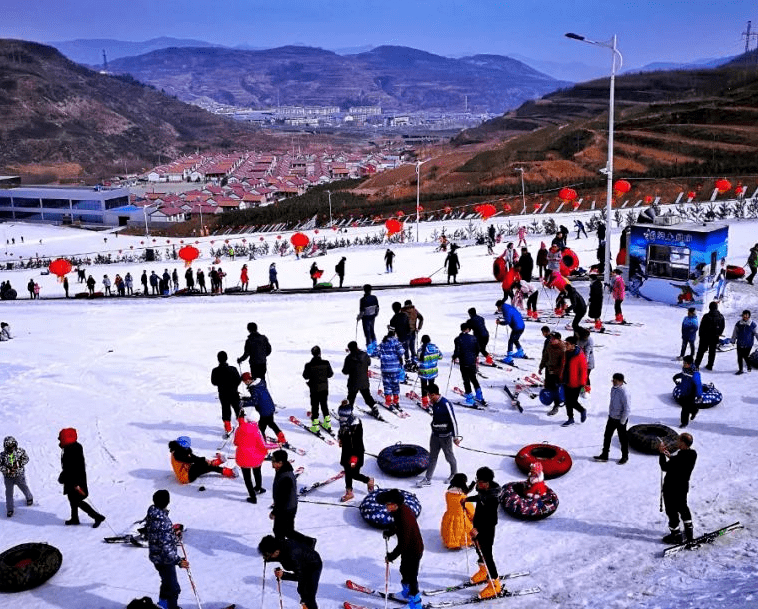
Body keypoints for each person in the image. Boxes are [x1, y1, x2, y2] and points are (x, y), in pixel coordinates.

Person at [377, 489, 424, 609]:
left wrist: (391, 556)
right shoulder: (398, 511)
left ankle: (416, 603)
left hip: (414, 549)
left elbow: (404, 543)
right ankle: (406, 593)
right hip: (407, 549)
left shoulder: (405, 517)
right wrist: (390, 532)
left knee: (412, 575)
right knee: (404, 570)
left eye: (388, 504)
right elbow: (397, 526)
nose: (386, 507)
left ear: (395, 504)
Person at [461, 467, 501, 599]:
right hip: (477, 527)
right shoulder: (483, 491)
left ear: (488, 482)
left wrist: (478, 529)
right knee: (478, 550)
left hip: (486, 531)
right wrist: (467, 499)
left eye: (481, 481)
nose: (478, 483)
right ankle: (483, 571)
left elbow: (492, 520)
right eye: (478, 480)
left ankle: (495, 583)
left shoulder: (492, 498)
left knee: (487, 555)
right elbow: (478, 497)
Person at [145, 490, 189, 609]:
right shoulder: (163, 521)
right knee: (173, 588)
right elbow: (165, 547)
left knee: (166, 583)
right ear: (167, 502)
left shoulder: (153, 513)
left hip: (156, 556)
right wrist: (178, 561)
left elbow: (158, 534)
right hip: (165, 560)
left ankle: (163, 605)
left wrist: (172, 533)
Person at [57, 427, 106, 527]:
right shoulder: (73, 447)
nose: (59, 439)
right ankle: (74, 518)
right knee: (72, 499)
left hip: (75, 481)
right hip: (73, 479)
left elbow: (71, 468)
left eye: (61, 438)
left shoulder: (71, 450)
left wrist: (63, 477)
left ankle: (97, 517)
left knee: (77, 500)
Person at [258, 535, 322, 609]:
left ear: (276, 552)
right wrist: (268, 558)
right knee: (302, 590)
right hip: (302, 560)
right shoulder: (279, 546)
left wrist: (283, 575)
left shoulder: (291, 556)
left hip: (312, 565)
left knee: (308, 595)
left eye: (267, 555)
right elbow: (279, 556)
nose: (266, 557)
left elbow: (300, 576)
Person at [417, 383, 460, 487]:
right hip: (435, 435)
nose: (428, 397)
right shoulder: (434, 403)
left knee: (449, 457)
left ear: (434, 394)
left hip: (445, 437)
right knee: (432, 457)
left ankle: (454, 474)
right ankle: (428, 479)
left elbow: (453, 421)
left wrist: (455, 437)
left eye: (429, 395)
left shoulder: (446, 404)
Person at [270, 449, 315, 546]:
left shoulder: (285, 477)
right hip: (289, 506)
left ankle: (283, 549)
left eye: (273, 461)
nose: (271, 462)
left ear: (280, 463)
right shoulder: (282, 470)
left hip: (286, 509)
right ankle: (307, 542)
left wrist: (275, 512)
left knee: (280, 530)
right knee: (286, 531)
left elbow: (283, 499)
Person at [659, 433, 697, 544]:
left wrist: (661, 454)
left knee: (671, 511)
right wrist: (670, 456)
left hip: (671, 488)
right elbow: (680, 461)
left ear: (683, 443)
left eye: (679, 441)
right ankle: (689, 535)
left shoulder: (679, 458)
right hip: (683, 487)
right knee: (683, 508)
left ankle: (676, 536)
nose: (676, 442)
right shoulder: (692, 454)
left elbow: (664, 467)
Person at [235, 409, 275, 503]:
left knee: (247, 478)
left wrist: (240, 416)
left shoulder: (240, 428)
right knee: (257, 472)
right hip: (256, 457)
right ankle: (258, 488)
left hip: (243, 457)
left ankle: (252, 497)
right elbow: (264, 445)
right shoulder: (257, 431)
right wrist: (277, 445)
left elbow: (236, 442)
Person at [337, 401, 374, 502]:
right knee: (348, 472)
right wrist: (340, 438)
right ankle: (349, 492)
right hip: (346, 451)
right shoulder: (344, 422)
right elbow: (341, 431)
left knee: (354, 474)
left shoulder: (355, 425)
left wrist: (354, 459)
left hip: (355, 453)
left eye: (343, 417)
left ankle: (369, 481)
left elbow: (356, 443)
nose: (341, 419)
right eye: (340, 416)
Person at [594, 373, 630, 464]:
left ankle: (625, 456)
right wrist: (610, 414)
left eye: (615, 381)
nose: (613, 382)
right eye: (612, 380)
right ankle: (605, 454)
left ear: (621, 381)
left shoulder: (624, 392)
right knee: (607, 436)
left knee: (622, 439)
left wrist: (622, 421)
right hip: (611, 418)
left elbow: (627, 408)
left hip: (620, 420)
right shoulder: (613, 389)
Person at [168, 436, 234, 483]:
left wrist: (204, 460)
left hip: (188, 470)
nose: (188, 448)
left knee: (205, 465)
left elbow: (193, 457)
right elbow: (192, 460)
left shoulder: (178, 450)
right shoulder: (178, 455)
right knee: (207, 466)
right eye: (187, 447)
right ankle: (229, 471)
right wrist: (204, 460)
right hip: (186, 477)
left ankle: (217, 463)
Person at [242, 374, 286, 444]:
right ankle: (282, 437)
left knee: (260, 428)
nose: (244, 384)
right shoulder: (260, 383)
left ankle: (262, 443)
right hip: (270, 407)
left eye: (244, 382)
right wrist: (246, 398)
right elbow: (258, 397)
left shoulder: (253, 388)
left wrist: (243, 404)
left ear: (247, 380)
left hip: (264, 411)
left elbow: (254, 401)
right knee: (271, 423)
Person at [342, 341, 380, 417]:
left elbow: (345, 371)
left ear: (350, 349)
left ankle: (348, 413)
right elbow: (369, 363)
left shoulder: (349, 358)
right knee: (367, 396)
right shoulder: (365, 354)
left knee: (351, 398)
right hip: (364, 381)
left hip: (353, 382)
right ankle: (374, 407)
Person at [210, 350, 242, 437]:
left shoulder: (215, 371)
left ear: (218, 359)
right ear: (226, 358)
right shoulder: (233, 369)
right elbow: (239, 380)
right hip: (234, 392)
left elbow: (214, 382)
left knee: (225, 410)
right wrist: (234, 386)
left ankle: (228, 428)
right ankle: (242, 426)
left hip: (223, 393)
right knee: (237, 409)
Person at [302, 345, 334, 432]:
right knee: (324, 405)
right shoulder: (326, 363)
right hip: (324, 388)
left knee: (314, 406)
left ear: (312, 354)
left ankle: (315, 426)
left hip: (314, 389)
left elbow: (305, 376)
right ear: (320, 353)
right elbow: (330, 374)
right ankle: (327, 423)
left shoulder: (308, 365)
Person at [1, 436, 33, 517]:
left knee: (24, 487)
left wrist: (18, 464)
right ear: (5, 446)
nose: (11, 448)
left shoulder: (20, 451)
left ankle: (29, 497)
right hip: (8, 477)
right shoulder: (2, 455)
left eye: (13, 446)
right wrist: (7, 470)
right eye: (9, 446)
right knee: (9, 493)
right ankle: (10, 509)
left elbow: (26, 458)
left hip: (19, 475)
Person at [440, 473, 475, 549]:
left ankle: (452, 544)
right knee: (463, 531)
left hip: (449, 516)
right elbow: (470, 509)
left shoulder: (448, 494)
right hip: (461, 518)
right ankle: (468, 542)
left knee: (451, 531)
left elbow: (456, 498)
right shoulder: (463, 498)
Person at [452, 322, 482, 406]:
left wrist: (454, 357)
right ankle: (479, 394)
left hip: (464, 362)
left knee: (466, 379)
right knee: (473, 378)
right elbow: (478, 349)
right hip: (472, 361)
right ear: (468, 329)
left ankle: (469, 397)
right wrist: (474, 356)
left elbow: (457, 351)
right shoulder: (474, 338)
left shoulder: (458, 339)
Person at [561, 336, 588, 426]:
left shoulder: (580, 356)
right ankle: (570, 418)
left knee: (572, 402)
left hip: (575, 383)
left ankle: (582, 410)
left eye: (567, 344)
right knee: (567, 402)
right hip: (566, 380)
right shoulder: (565, 353)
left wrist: (582, 384)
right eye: (565, 343)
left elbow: (584, 371)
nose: (565, 345)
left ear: (573, 345)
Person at [539, 331, 567, 416]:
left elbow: (563, 365)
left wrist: (559, 375)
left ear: (558, 340)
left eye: (553, 338)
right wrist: (541, 367)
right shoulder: (549, 345)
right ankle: (550, 400)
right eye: (550, 338)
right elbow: (545, 356)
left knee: (556, 389)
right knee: (548, 386)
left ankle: (556, 406)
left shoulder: (563, 349)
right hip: (548, 370)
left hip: (557, 373)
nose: (551, 340)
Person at [673, 356, 703, 428]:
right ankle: (694, 410)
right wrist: (676, 376)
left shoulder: (695, 373)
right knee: (689, 405)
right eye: (683, 362)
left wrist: (699, 395)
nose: (683, 364)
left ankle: (684, 422)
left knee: (685, 408)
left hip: (691, 392)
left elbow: (698, 384)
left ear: (690, 364)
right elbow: (682, 374)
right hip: (684, 390)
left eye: (685, 363)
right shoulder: (685, 369)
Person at [378, 329, 405, 409]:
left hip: (385, 368)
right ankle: (396, 401)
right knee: (395, 384)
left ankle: (388, 400)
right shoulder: (397, 343)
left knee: (387, 385)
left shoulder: (383, 343)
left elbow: (376, 352)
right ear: (394, 335)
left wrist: (383, 356)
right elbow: (401, 352)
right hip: (395, 368)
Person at [694, 301, 725, 371]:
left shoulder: (706, 316)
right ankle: (710, 365)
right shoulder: (721, 317)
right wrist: (718, 334)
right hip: (715, 337)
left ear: (710, 307)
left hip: (705, 337)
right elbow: (722, 327)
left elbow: (701, 327)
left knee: (701, 351)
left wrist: (700, 336)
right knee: (712, 352)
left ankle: (696, 364)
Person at [417, 335, 442, 408]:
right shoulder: (435, 348)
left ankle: (424, 401)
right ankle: (432, 399)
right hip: (432, 370)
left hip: (423, 371)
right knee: (431, 385)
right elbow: (440, 356)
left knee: (424, 386)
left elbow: (417, 359)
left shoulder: (420, 350)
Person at [730, 309, 758, 374]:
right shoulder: (739, 324)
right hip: (740, 343)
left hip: (748, 344)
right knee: (739, 357)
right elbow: (735, 333)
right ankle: (740, 370)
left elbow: (756, 334)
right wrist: (733, 340)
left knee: (746, 356)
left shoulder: (752, 325)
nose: (744, 317)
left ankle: (749, 366)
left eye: (746, 316)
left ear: (749, 316)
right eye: (743, 316)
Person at [358, 284, 380, 352]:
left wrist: (358, 317)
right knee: (372, 331)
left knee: (367, 333)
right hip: (372, 317)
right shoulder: (374, 298)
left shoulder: (362, 300)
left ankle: (370, 349)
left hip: (365, 318)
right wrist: (375, 314)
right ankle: (375, 346)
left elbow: (362, 311)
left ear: (364, 290)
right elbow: (377, 308)